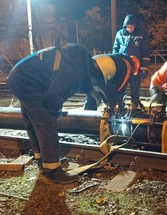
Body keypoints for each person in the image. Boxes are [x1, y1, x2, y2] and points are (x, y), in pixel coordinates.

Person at [6, 43, 104, 184]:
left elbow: (84, 79)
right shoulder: (72, 72)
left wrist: (90, 89)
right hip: (27, 84)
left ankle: (43, 161)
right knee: (47, 125)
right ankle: (53, 171)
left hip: (19, 78)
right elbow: (52, 99)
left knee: (35, 123)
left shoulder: (78, 59)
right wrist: (55, 113)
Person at [112, 14, 151, 108]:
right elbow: (115, 49)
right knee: (120, 86)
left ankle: (135, 104)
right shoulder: (119, 34)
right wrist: (115, 65)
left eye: (131, 27)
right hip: (122, 66)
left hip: (135, 67)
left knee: (135, 87)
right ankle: (119, 105)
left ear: (136, 26)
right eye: (127, 27)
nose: (129, 29)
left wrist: (144, 68)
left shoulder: (142, 34)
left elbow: (145, 52)